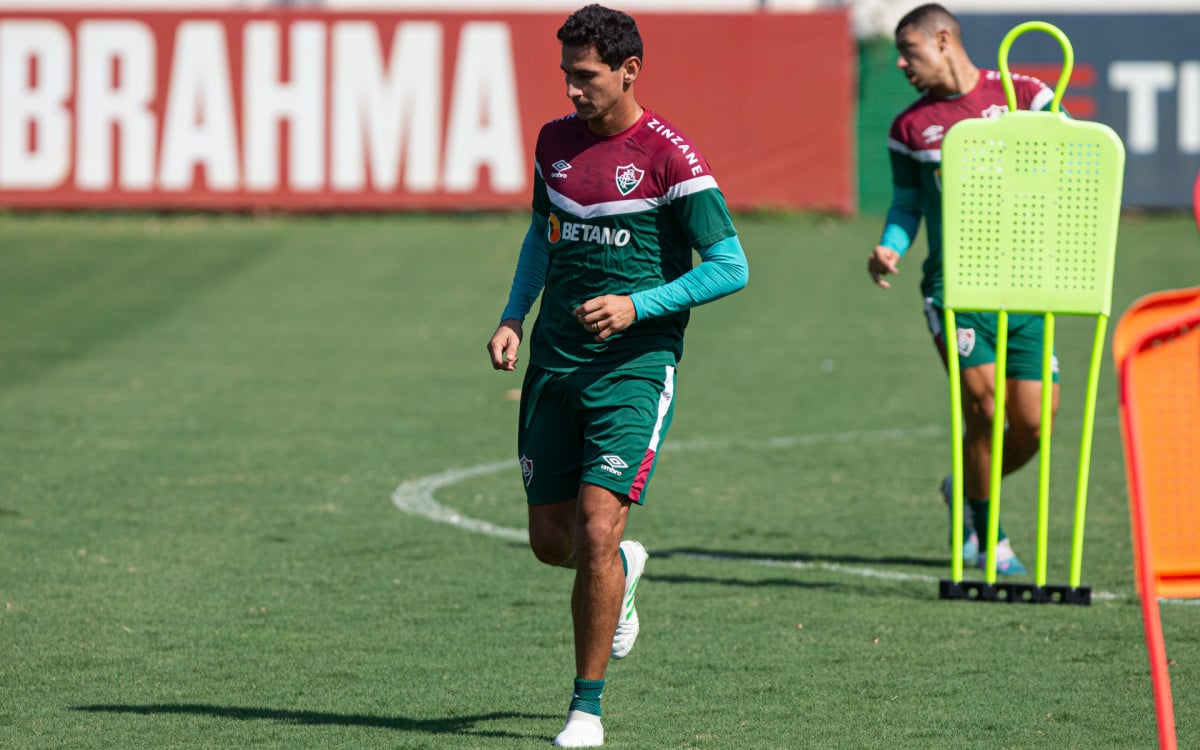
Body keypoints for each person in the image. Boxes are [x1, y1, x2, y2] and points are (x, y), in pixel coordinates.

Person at [485, 4, 748, 746]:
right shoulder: (554, 143)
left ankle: (586, 709)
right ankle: (623, 571)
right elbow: (542, 235)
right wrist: (513, 316)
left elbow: (731, 266)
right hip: (554, 364)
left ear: (629, 71)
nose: (572, 89)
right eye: (566, 74)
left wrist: (639, 306)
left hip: (634, 368)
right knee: (552, 542)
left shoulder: (670, 158)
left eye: (586, 76)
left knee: (597, 528)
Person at [867, 3, 1061, 576]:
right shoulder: (909, 127)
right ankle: (990, 537)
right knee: (986, 412)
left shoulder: (1027, 95)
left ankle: (966, 490)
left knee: (1034, 425)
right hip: (956, 291)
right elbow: (906, 204)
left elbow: (1072, 163)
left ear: (944, 40)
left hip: (1029, 287)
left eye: (909, 51)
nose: (901, 64)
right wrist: (890, 246)